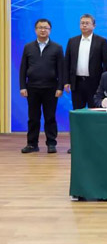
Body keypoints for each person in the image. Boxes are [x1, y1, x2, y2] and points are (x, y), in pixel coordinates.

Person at [19, 19, 64, 154]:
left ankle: (51, 143)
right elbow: (23, 68)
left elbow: (61, 70)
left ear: (50, 30)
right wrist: (23, 86)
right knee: (33, 117)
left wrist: (60, 87)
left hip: (51, 88)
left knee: (50, 117)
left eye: (46, 28)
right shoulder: (28, 47)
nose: (43, 30)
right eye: (40, 27)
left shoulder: (57, 48)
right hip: (32, 88)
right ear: (35, 30)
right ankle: (32, 144)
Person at [64, 13, 107, 109]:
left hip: (95, 83)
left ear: (94, 26)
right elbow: (67, 63)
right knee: (77, 111)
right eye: (82, 23)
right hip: (77, 83)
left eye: (87, 23)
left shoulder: (101, 41)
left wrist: (103, 82)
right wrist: (66, 81)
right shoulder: (72, 41)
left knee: (95, 111)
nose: (84, 25)